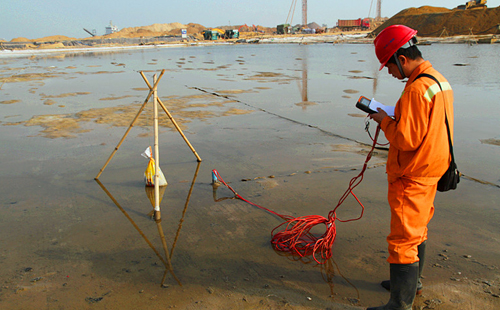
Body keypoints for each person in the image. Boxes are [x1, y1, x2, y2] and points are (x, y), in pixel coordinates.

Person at [367, 25, 454, 310]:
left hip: (413, 174)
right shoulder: (438, 81)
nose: (389, 73)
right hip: (433, 167)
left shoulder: (416, 89)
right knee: (418, 230)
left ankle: (399, 303)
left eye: (389, 66)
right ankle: (410, 284)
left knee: (403, 238)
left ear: (401, 59)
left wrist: (383, 120)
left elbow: (406, 138)